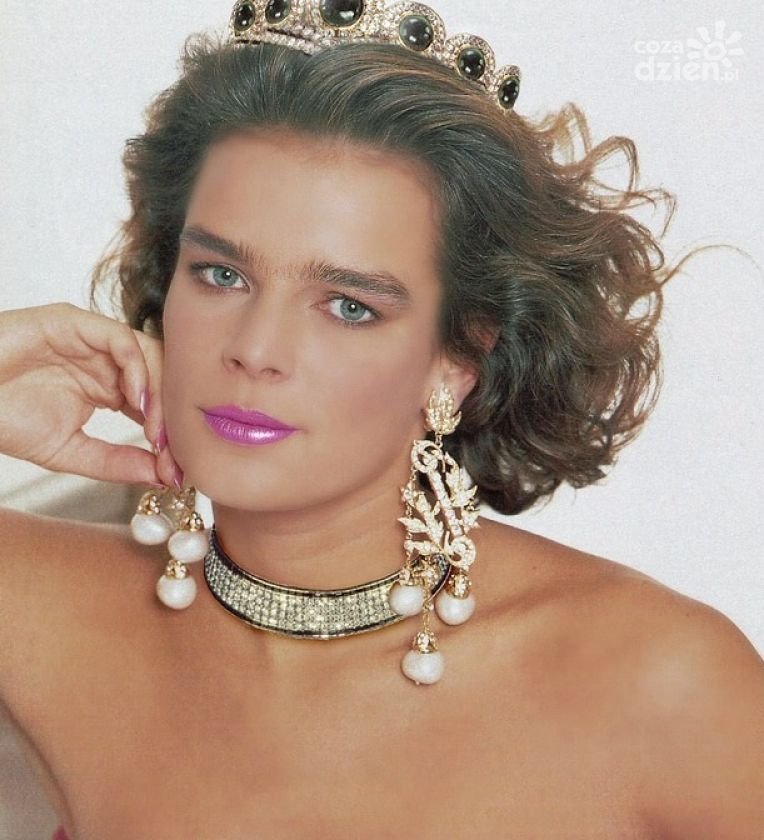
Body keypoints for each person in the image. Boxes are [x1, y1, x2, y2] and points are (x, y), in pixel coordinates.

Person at [1, 1, 762, 838]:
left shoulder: (662, 685)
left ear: (457, 360)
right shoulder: (38, 609)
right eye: (221, 275)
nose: (255, 350)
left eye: (349, 306)